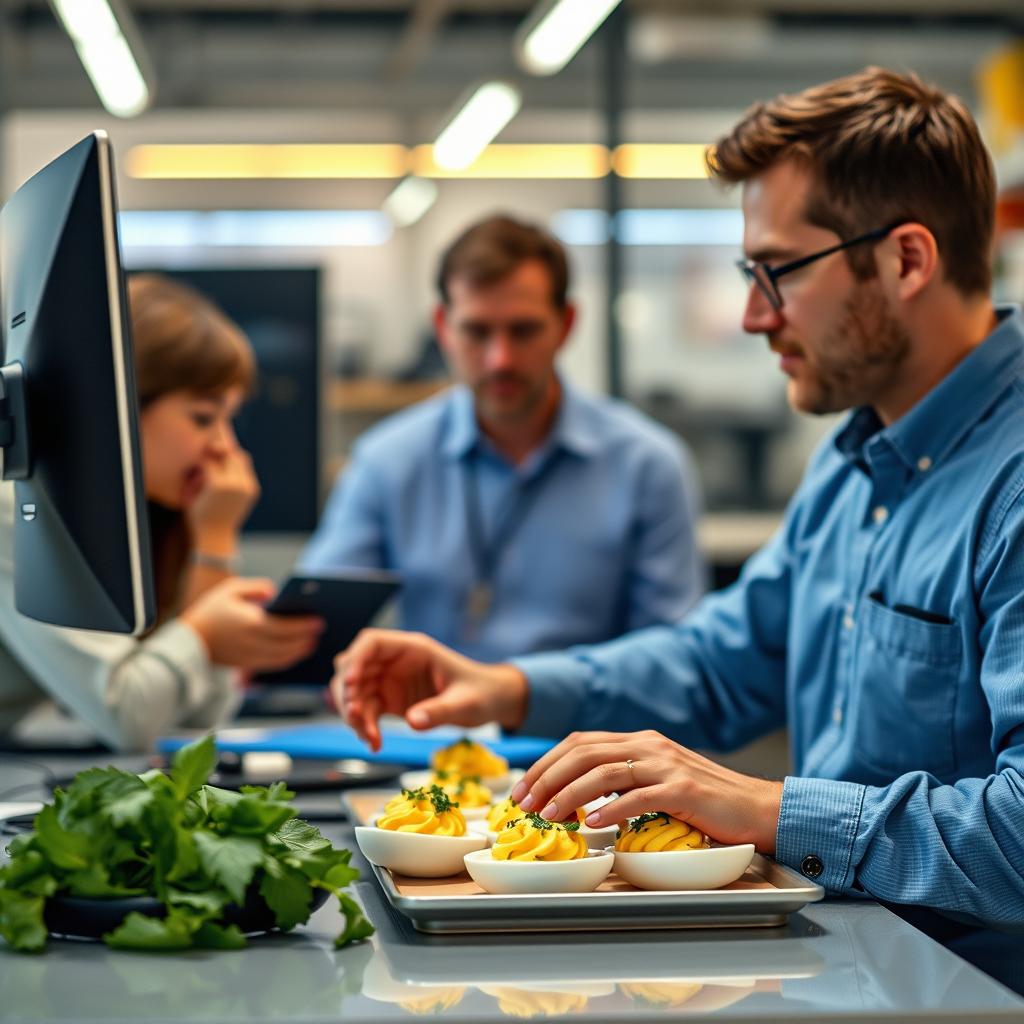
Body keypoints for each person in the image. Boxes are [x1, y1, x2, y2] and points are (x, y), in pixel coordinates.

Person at [331, 68, 1024, 937]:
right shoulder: (853, 463)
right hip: (844, 956)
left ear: (906, 260)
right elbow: (719, 664)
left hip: (966, 985)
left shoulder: (1010, 489)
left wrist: (768, 810)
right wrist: (505, 688)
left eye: (778, 272)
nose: (753, 316)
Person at [300, 216, 705, 663]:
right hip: (433, 711)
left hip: (584, 712)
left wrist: (528, 692)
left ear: (567, 324)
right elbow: (317, 626)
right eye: (477, 331)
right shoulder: (387, 461)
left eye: (524, 330)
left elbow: (669, 661)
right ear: (443, 327)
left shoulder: (648, 467)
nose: (500, 359)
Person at [0, 274, 322, 751]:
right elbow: (127, 717)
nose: (225, 446)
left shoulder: (150, 518)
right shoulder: (16, 511)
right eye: (203, 417)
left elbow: (195, 719)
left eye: (230, 419)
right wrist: (203, 632)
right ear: (121, 408)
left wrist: (214, 541)